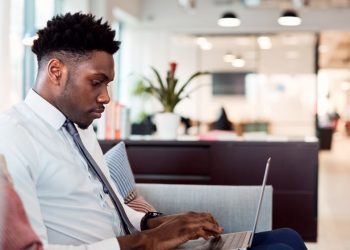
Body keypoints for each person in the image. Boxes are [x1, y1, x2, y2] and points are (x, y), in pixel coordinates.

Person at [0, 12, 307, 250]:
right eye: (97, 82)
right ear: (56, 71)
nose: (106, 96)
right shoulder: (14, 138)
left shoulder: (78, 127)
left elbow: (110, 209)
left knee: (288, 237)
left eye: (107, 84)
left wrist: (155, 221)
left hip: (136, 244)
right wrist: (147, 241)